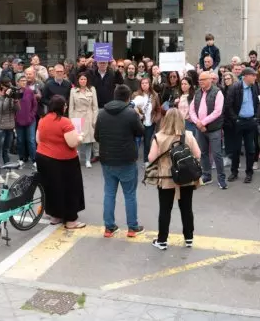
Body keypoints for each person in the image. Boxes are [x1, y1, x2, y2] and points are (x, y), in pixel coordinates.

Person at [94, 84, 145, 238]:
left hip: (107, 158)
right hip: (126, 159)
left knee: (109, 193)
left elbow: (97, 136)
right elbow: (141, 132)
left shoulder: (102, 113)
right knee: (129, 194)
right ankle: (132, 227)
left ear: (114, 95)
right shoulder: (131, 114)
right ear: (128, 98)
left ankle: (109, 227)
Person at [147, 109, 202, 250]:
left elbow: (151, 158)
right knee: (186, 208)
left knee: (165, 209)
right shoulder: (188, 135)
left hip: (166, 177)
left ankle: (162, 240)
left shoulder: (159, 136)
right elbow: (198, 154)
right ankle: (189, 238)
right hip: (186, 177)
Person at [36, 95, 86, 229]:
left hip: (43, 157)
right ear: (61, 107)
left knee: (51, 188)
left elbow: (38, 139)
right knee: (70, 189)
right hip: (63, 160)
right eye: (65, 105)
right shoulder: (65, 122)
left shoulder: (43, 119)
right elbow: (72, 143)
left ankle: (55, 216)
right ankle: (70, 220)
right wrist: (80, 137)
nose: (66, 107)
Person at [190, 70, 226, 188]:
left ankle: (221, 179)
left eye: (203, 80)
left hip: (214, 129)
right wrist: (198, 123)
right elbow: (192, 110)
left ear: (210, 80)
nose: (200, 82)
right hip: (200, 129)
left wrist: (203, 122)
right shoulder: (197, 93)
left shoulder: (218, 93)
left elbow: (218, 111)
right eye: (199, 80)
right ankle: (207, 175)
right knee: (203, 153)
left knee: (217, 154)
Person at [226, 67, 260, 184]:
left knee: (250, 149)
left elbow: (257, 102)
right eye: (253, 75)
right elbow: (228, 106)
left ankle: (249, 173)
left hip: (250, 121)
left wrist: (256, 116)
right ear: (245, 76)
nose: (255, 77)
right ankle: (234, 172)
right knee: (236, 149)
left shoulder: (255, 87)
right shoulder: (235, 87)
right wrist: (235, 119)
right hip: (239, 122)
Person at [0, 79, 20, 183]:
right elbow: (1, 109)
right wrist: (7, 97)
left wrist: (15, 99)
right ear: (2, 87)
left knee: (6, 150)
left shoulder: (11, 96)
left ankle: (9, 170)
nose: (9, 87)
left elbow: (18, 109)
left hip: (10, 127)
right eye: (7, 85)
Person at [69, 73, 98, 169]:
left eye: (85, 79)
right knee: (77, 141)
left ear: (87, 80)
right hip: (77, 117)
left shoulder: (92, 89)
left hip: (89, 116)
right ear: (78, 80)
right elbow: (71, 107)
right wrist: (71, 120)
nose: (83, 81)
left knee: (89, 141)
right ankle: (76, 159)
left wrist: (95, 119)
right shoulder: (73, 90)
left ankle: (87, 160)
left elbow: (95, 107)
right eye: (81, 79)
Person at [132, 77, 162, 165]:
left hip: (150, 122)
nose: (144, 85)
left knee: (147, 141)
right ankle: (133, 158)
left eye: (146, 83)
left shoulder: (155, 95)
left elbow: (158, 109)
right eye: (142, 83)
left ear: (149, 84)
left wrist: (155, 119)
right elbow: (132, 107)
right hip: (139, 121)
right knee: (136, 140)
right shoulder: (135, 94)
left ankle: (146, 160)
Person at [13, 73, 37, 167]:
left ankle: (34, 159)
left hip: (30, 120)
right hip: (18, 120)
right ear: (17, 82)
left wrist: (31, 115)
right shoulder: (14, 92)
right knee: (20, 140)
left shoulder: (30, 91)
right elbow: (12, 107)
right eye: (21, 80)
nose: (24, 82)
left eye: (25, 80)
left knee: (31, 140)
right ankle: (22, 158)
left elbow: (35, 105)